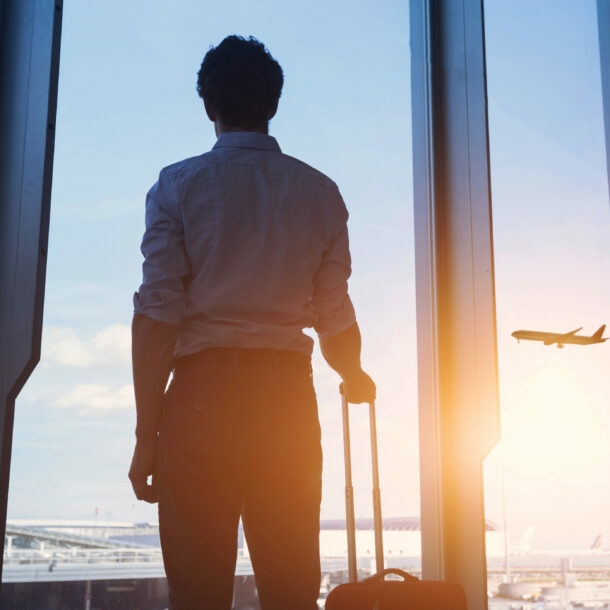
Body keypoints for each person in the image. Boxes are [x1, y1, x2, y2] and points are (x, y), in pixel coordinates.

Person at [129, 35, 375, 610]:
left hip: (199, 398)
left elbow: (156, 317)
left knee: (197, 591)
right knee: (290, 587)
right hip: (284, 398)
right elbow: (335, 314)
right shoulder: (319, 193)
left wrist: (147, 437)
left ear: (209, 107)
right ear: (274, 104)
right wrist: (355, 374)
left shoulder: (177, 186)